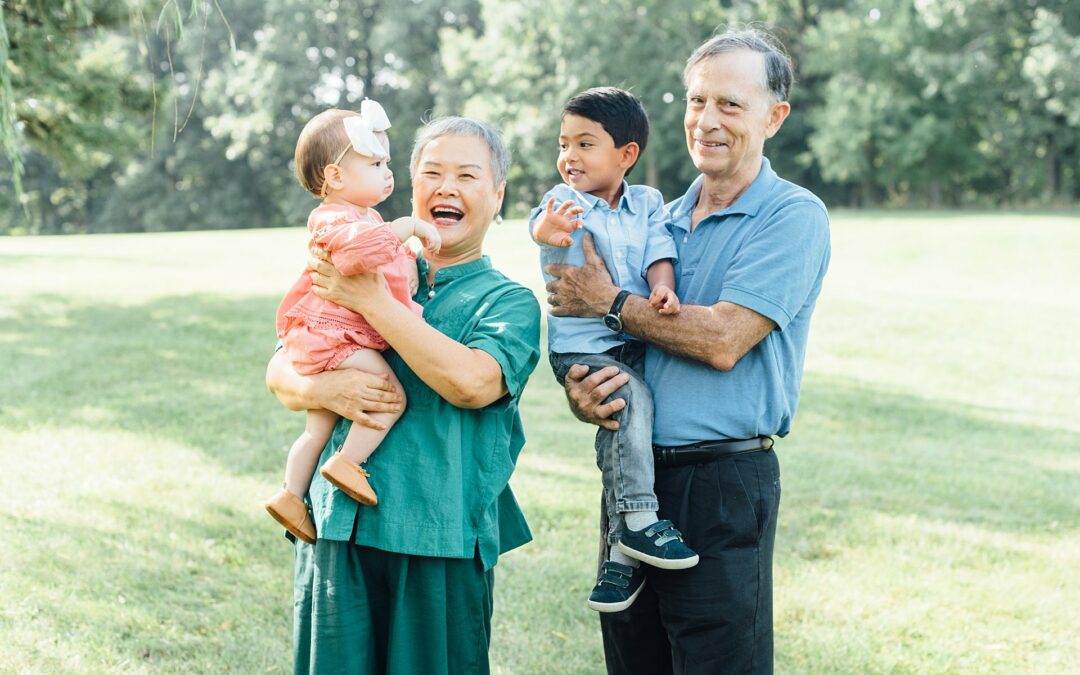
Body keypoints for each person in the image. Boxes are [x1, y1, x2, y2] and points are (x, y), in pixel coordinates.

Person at [544, 29, 831, 674]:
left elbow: (724, 339)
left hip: (722, 485)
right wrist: (587, 391)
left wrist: (612, 301)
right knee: (634, 663)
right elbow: (593, 324)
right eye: (697, 101)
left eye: (730, 104)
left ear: (774, 117)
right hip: (631, 477)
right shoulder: (655, 219)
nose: (706, 121)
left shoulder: (792, 216)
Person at [265, 117, 541, 674]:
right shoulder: (363, 262)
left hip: (438, 540)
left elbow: (471, 384)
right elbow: (282, 364)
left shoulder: (508, 302)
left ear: (497, 195)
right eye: (432, 173)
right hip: (340, 529)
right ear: (410, 186)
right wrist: (322, 387)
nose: (447, 187)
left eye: (467, 175)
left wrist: (373, 304)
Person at [530, 87, 698, 614]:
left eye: (585, 144)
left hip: (630, 339)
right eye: (564, 144)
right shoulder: (563, 202)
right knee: (633, 407)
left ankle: (620, 562)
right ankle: (642, 521)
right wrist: (548, 228)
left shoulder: (647, 202)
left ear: (626, 154)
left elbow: (659, 252)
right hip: (584, 347)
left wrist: (663, 287)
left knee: (625, 439)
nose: (569, 157)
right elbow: (541, 227)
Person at [265, 100, 442, 545]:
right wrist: (406, 227)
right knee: (389, 400)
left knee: (317, 427)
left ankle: (290, 495)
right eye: (376, 162)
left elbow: (385, 266)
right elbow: (357, 254)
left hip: (328, 337)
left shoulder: (361, 218)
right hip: (337, 338)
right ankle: (348, 462)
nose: (388, 173)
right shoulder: (336, 219)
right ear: (336, 177)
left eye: (387, 162)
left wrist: (405, 250)